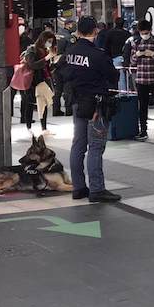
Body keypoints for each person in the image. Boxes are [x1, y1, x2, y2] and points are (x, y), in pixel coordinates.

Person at [60, 16, 120, 203]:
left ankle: (78, 187)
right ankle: (97, 189)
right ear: (95, 31)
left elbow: (61, 72)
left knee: (78, 144)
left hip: (77, 102)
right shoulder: (97, 54)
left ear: (78, 31)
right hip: (96, 105)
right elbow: (113, 76)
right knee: (95, 146)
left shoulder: (70, 52)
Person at [131, 19, 154, 141]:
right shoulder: (136, 42)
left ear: (151, 31)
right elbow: (132, 62)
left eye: (146, 32)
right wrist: (136, 55)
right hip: (141, 79)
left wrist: (153, 54)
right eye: (142, 32)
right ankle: (143, 130)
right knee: (142, 106)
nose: (144, 34)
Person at [21, 30, 57, 136]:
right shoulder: (32, 50)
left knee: (44, 103)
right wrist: (46, 58)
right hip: (33, 81)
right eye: (48, 41)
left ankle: (44, 128)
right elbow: (32, 65)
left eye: (51, 41)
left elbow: (47, 68)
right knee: (30, 104)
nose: (49, 43)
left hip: (43, 81)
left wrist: (54, 62)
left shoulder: (46, 51)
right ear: (43, 39)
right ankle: (28, 127)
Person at [104, 17, 131, 93]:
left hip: (115, 57)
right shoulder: (127, 34)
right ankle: (129, 93)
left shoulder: (110, 33)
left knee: (120, 78)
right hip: (126, 57)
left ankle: (122, 94)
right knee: (127, 77)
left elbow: (106, 47)